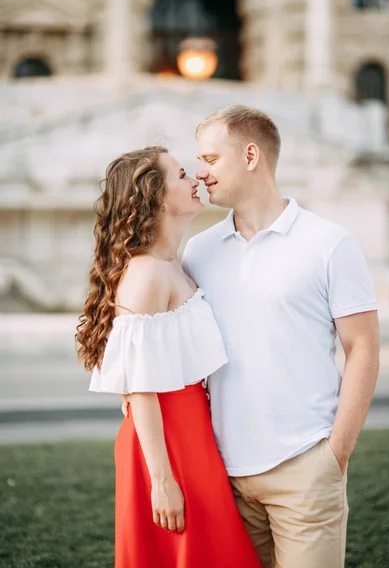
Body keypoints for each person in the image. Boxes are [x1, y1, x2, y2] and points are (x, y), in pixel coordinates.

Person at [181, 105, 380, 568]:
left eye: (211, 159)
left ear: (251, 155)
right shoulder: (199, 251)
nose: (200, 172)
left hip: (304, 467)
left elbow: (364, 348)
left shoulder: (329, 242)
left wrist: (335, 453)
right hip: (223, 474)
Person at [75, 147, 262, 568]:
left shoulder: (173, 264)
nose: (195, 177)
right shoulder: (147, 275)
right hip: (166, 443)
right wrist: (162, 480)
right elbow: (140, 388)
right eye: (181, 174)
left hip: (191, 432)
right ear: (156, 196)